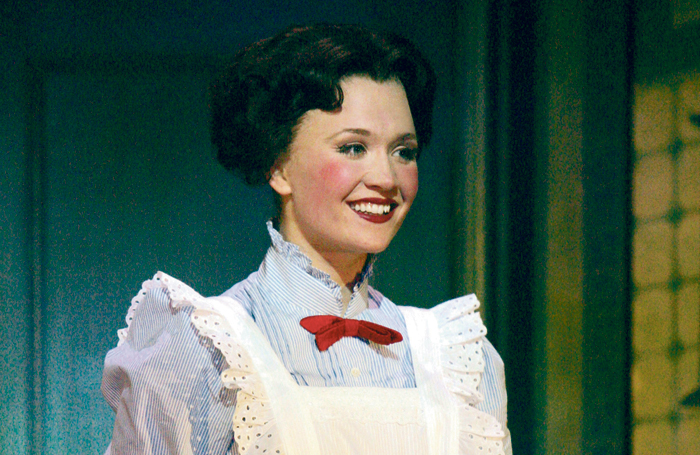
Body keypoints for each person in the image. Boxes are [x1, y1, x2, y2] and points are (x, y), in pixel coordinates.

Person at [101, 23, 511, 455]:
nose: (387, 179)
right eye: (353, 148)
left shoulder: (456, 358)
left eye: (403, 152)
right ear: (278, 167)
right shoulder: (210, 346)